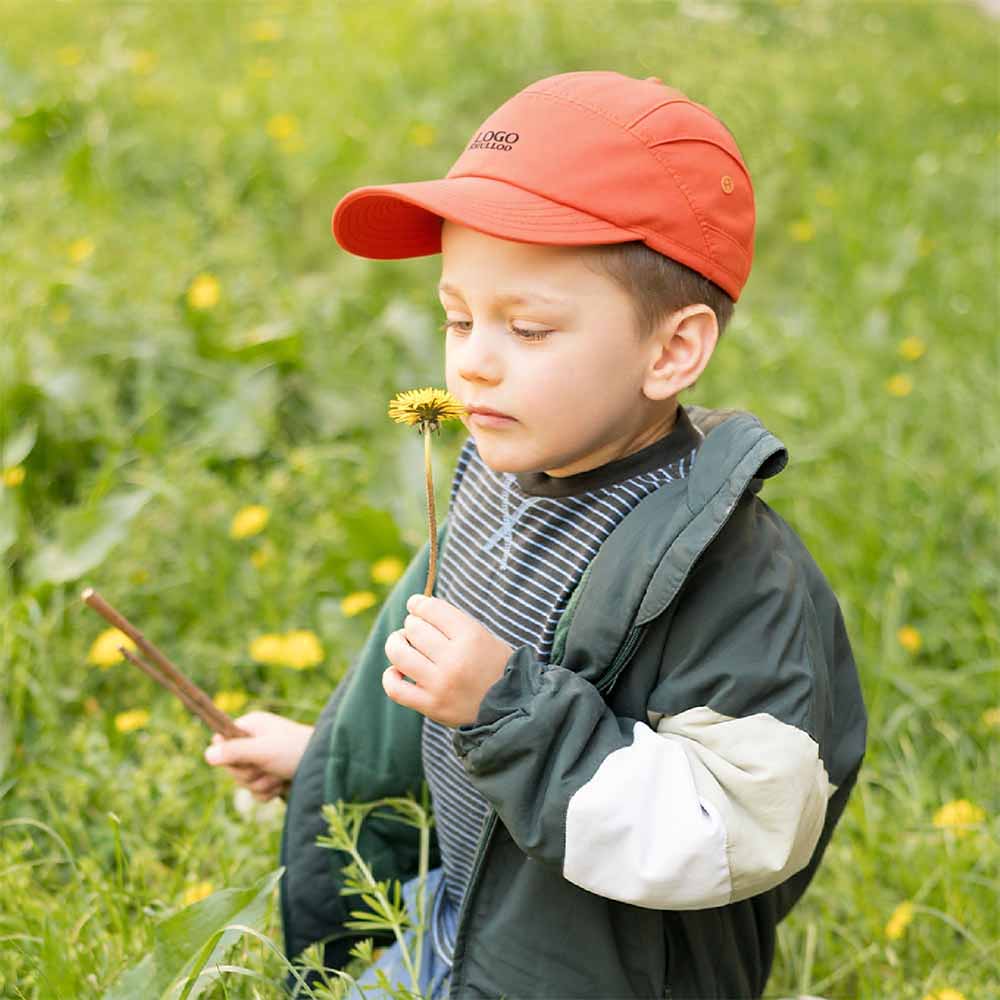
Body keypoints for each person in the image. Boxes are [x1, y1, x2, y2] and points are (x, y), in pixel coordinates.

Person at [204, 70, 867, 999]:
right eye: (458, 317)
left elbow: (733, 831)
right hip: (454, 921)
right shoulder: (499, 484)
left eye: (527, 328)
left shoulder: (734, 579)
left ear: (672, 349)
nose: (473, 361)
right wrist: (327, 758)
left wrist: (507, 710)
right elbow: (449, 701)